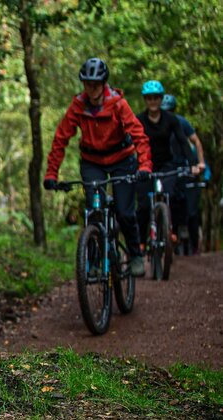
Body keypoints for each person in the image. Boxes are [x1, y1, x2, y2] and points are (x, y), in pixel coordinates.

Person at [43, 57, 151, 277]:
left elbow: (138, 134)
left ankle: (135, 255)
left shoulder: (118, 104)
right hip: (93, 162)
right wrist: (52, 172)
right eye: (87, 83)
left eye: (96, 83)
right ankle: (92, 262)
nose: (91, 88)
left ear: (103, 83)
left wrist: (145, 166)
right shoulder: (78, 106)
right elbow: (61, 138)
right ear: (83, 83)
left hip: (122, 159)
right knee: (94, 212)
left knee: (124, 211)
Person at [133, 81, 199, 253]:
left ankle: (172, 229)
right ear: (145, 100)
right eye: (149, 98)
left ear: (161, 99)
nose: (153, 101)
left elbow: (184, 142)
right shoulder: (138, 120)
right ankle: (140, 241)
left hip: (166, 164)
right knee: (143, 205)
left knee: (172, 196)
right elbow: (129, 142)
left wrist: (193, 164)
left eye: (156, 98)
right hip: (145, 165)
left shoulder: (171, 119)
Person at [162, 94, 209, 254]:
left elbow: (196, 141)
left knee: (182, 199)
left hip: (181, 166)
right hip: (162, 166)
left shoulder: (181, 122)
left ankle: (181, 229)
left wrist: (199, 164)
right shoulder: (154, 123)